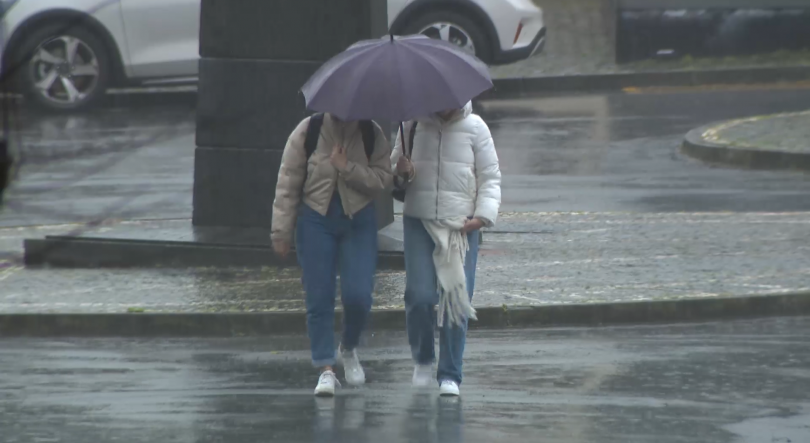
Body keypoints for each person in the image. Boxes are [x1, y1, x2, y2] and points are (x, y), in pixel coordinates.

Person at [272, 113, 392, 396]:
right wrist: (281, 232)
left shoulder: (371, 132)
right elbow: (288, 182)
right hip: (315, 220)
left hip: (358, 220)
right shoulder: (309, 130)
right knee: (319, 295)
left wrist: (346, 167)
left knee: (359, 296)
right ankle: (326, 368)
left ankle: (348, 347)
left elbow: (382, 179)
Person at [391, 101, 501, 397]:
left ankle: (450, 374)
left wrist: (482, 216)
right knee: (419, 296)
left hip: (461, 226)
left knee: (455, 297)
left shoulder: (476, 128)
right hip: (419, 222)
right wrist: (401, 171)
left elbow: (490, 178)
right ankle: (423, 359)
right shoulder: (412, 125)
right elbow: (394, 176)